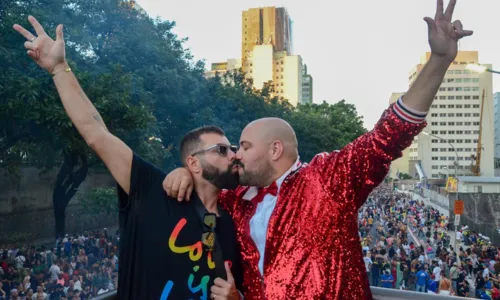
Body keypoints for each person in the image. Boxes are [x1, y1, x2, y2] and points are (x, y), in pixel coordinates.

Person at [163, 0, 473, 298]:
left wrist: (439, 60)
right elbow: (206, 183)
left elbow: (388, 135)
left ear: (274, 150)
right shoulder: (236, 199)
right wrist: (184, 173)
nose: (236, 155)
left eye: (243, 146)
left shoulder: (327, 180)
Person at [12, 17, 244, 300]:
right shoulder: (152, 191)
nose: (234, 155)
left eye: (233, 148)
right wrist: (59, 68)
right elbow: (95, 132)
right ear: (193, 163)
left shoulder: (235, 226)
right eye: (222, 150)